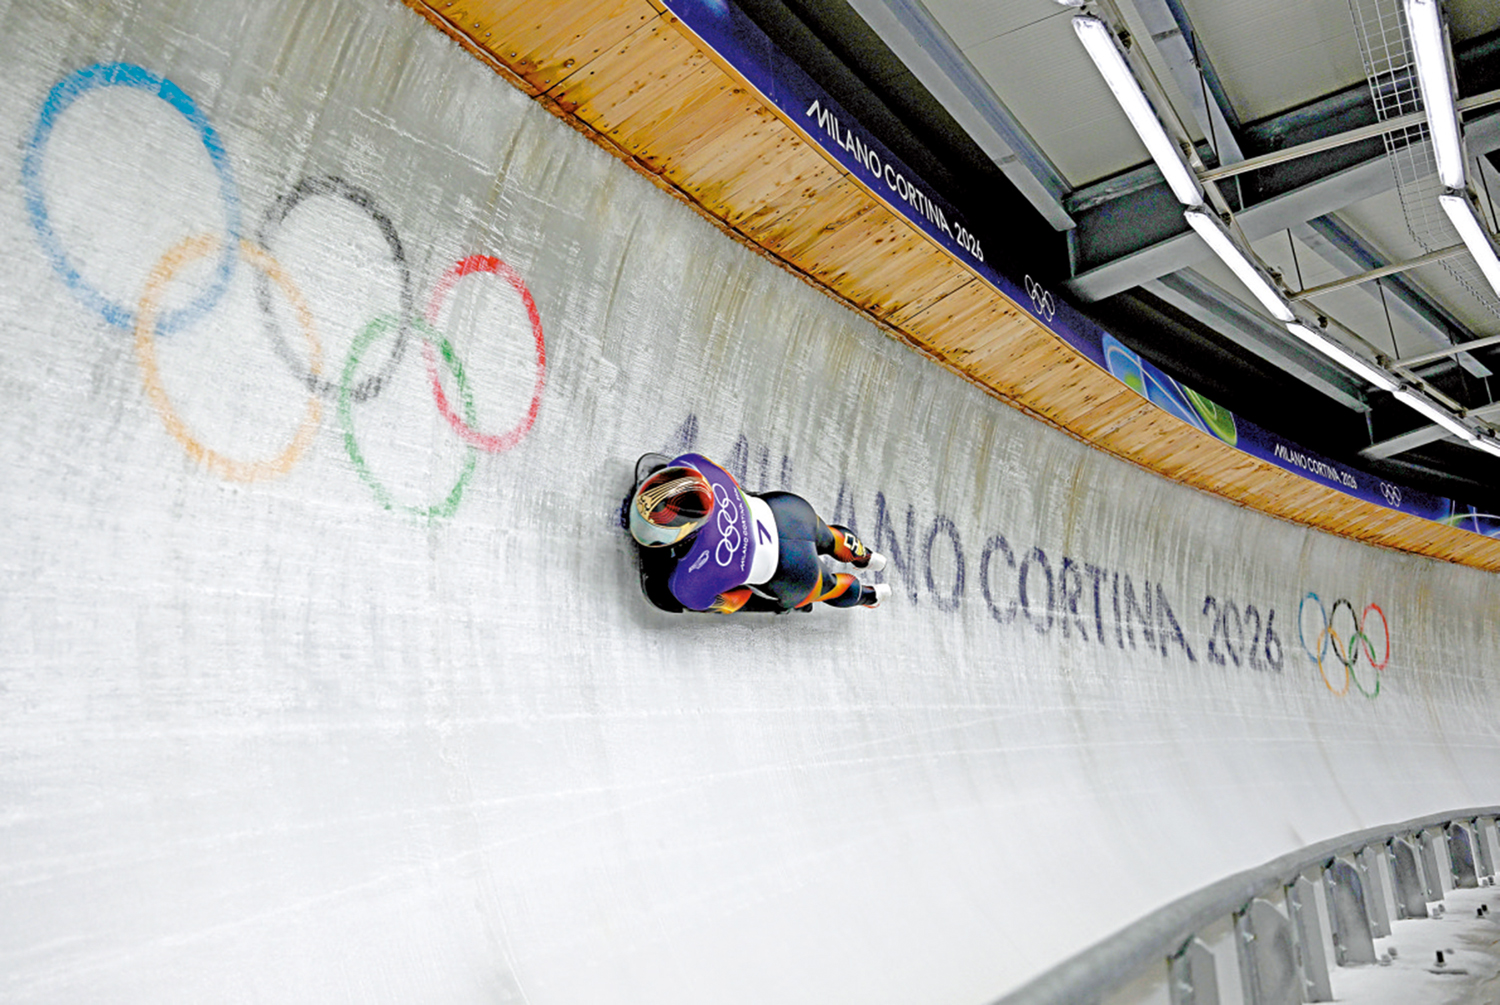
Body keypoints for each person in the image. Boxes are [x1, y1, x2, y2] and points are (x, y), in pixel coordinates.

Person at [629, 452, 890, 614]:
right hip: (790, 512)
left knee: (829, 586)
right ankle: (865, 556)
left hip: (793, 572)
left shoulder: (689, 582)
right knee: (829, 536)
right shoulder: (692, 462)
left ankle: (871, 595)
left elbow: (733, 601)